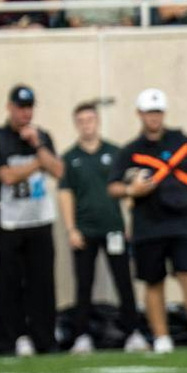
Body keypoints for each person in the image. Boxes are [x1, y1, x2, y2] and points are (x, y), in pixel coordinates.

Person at [108, 89, 187, 353]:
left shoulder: (182, 142)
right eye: (149, 112)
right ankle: (161, 338)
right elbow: (113, 186)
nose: (154, 117)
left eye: (158, 112)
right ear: (140, 114)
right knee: (153, 280)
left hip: (182, 220)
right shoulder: (131, 150)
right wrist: (131, 191)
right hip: (148, 225)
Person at [0, 83, 64, 356]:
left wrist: (38, 146)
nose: (25, 113)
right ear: (10, 107)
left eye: (29, 108)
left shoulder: (42, 137)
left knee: (42, 283)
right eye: (20, 107)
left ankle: (44, 340)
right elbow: (7, 176)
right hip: (8, 221)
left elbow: (59, 170)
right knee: (6, 284)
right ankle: (5, 341)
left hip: (39, 219)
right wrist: (39, 162)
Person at [59, 100, 146, 354]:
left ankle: (133, 332)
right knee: (83, 284)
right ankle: (82, 336)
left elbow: (130, 189)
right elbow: (66, 195)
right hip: (85, 231)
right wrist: (71, 229)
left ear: (97, 122)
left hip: (113, 228)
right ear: (77, 124)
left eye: (90, 120)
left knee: (124, 282)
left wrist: (129, 221)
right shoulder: (70, 158)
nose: (87, 125)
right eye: (81, 121)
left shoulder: (115, 153)